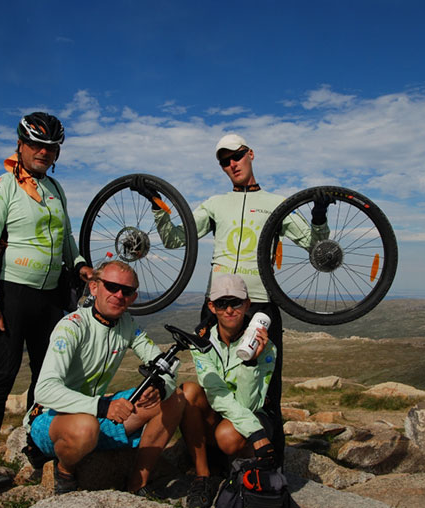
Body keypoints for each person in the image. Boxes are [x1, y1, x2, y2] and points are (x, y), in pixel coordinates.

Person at [136, 134, 332, 469]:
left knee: (267, 389)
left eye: (237, 156)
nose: (232, 164)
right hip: (218, 305)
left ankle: (271, 466)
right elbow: (174, 238)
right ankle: (211, 465)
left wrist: (318, 214)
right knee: (213, 384)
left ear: (251, 154)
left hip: (260, 303)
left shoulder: (276, 203)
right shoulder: (215, 203)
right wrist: (158, 205)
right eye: (224, 160)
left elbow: (318, 249)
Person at [0, 112, 92, 493]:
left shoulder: (56, 189)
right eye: (36, 145)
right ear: (20, 146)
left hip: (51, 295)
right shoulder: (1, 188)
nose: (43, 152)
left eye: (51, 147)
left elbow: (68, 237)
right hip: (13, 294)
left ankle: (35, 449)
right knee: (1, 377)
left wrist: (80, 266)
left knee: (47, 377)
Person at [25, 260, 186, 495]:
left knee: (176, 398)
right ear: (94, 288)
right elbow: (45, 391)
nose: (119, 295)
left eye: (127, 291)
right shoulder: (72, 327)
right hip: (52, 418)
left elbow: (166, 364)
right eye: (111, 286)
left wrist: (160, 388)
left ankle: (137, 483)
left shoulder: (127, 325)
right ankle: (65, 471)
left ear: (133, 297)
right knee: (85, 428)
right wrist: (102, 407)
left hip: (96, 413)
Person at [181, 274, 277, 508]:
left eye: (235, 303)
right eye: (222, 304)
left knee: (228, 435)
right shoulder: (202, 343)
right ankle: (202, 477)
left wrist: (250, 362)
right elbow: (214, 392)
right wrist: (256, 434)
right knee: (189, 391)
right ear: (211, 307)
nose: (229, 310)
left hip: (250, 415)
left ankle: (241, 472)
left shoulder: (267, 348)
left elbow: (249, 406)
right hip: (221, 414)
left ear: (247, 305)